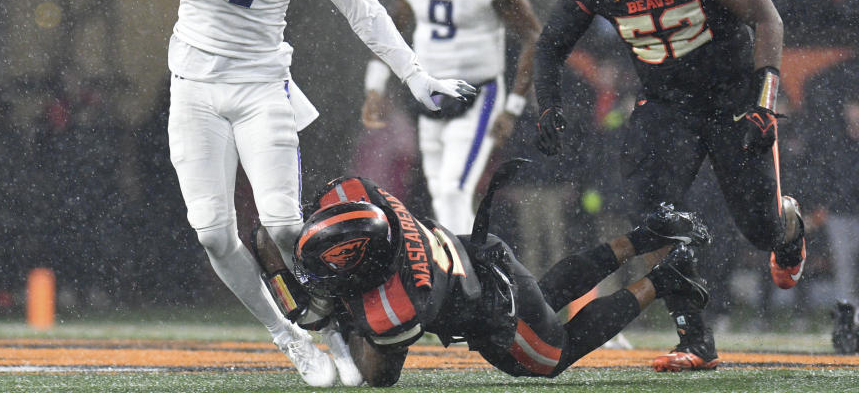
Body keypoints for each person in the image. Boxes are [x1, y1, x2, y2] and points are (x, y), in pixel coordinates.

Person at [112, 0, 475, 388]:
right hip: (194, 86)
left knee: (284, 226)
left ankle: (332, 325)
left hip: (261, 85)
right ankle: (290, 339)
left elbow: (360, 7)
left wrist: (416, 76)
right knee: (212, 233)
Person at [533, 0, 806, 372]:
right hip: (666, 103)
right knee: (656, 220)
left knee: (759, 230)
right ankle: (695, 339)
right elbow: (550, 47)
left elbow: (766, 17)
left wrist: (764, 101)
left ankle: (787, 227)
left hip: (729, 97)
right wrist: (548, 106)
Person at [284, 171, 710, 387]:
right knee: (541, 298)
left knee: (550, 356)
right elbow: (336, 197)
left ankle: (664, 278)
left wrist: (336, 312)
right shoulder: (362, 196)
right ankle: (647, 236)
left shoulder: (403, 303)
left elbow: (377, 375)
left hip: (494, 312)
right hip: (485, 257)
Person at [360, 0, 541, 233]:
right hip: (431, 92)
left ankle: (465, 275)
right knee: (439, 193)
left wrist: (513, 107)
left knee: (454, 190)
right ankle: (467, 267)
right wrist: (375, 86)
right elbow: (391, 27)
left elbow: (532, 34)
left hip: (478, 92)